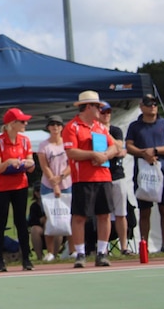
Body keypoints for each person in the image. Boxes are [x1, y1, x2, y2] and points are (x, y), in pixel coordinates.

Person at [62, 91, 119, 268]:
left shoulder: (100, 127)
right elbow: (71, 152)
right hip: (83, 178)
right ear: (88, 107)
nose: (100, 110)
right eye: (97, 106)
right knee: (79, 216)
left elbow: (114, 146)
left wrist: (105, 155)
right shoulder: (72, 127)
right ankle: (80, 253)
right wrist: (92, 154)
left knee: (104, 214)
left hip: (103, 176)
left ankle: (102, 252)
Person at [125, 93, 164, 253]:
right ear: (141, 107)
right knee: (144, 210)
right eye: (148, 103)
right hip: (142, 172)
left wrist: (154, 150)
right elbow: (128, 146)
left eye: (154, 103)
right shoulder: (135, 126)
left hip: (163, 171)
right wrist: (143, 153)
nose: (152, 106)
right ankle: (144, 244)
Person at [0, 108, 35, 272]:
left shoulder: (25, 141)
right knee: (0, 223)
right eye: (22, 121)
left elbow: (30, 162)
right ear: (11, 124)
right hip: (1, 187)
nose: (25, 124)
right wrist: (9, 162)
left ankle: (27, 259)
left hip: (20, 185)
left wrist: (28, 164)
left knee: (21, 222)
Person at [97, 102, 132, 255]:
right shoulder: (94, 131)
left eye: (108, 112)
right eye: (103, 112)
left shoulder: (115, 130)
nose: (106, 115)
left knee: (121, 213)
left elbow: (119, 147)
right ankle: (103, 248)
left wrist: (106, 135)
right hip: (102, 175)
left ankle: (124, 246)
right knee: (103, 214)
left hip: (117, 175)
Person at [35, 115, 71, 261]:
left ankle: (73, 249)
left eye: (58, 124)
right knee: (50, 217)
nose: (55, 127)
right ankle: (50, 252)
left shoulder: (68, 144)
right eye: (52, 124)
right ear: (48, 127)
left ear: (62, 127)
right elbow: (44, 166)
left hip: (67, 184)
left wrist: (61, 177)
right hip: (48, 185)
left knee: (69, 217)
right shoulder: (44, 145)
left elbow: (71, 164)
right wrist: (54, 183)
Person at [27, 184, 46, 261]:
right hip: (40, 228)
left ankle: (53, 255)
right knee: (34, 230)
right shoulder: (34, 206)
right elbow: (31, 222)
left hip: (52, 227)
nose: (39, 193)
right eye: (37, 191)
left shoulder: (51, 202)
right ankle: (39, 257)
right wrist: (41, 220)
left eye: (41, 190)